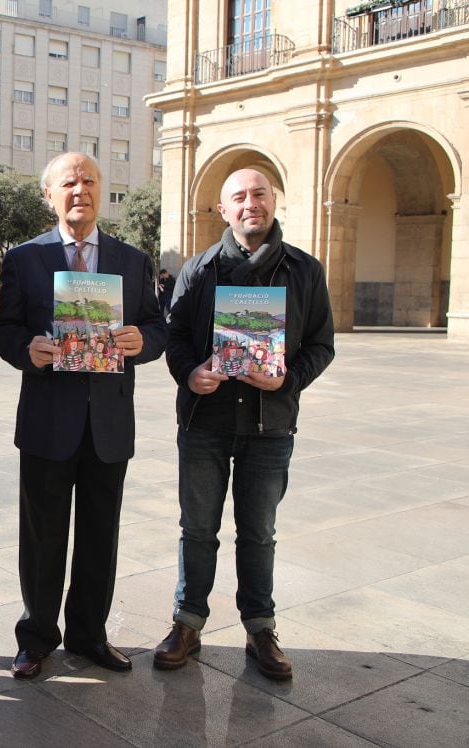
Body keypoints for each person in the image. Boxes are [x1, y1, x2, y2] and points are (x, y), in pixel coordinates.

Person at [0, 152, 167, 680]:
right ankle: (37, 637)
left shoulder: (133, 261)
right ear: (50, 195)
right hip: (48, 418)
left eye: (89, 180)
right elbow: (5, 329)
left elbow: (158, 328)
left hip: (108, 424)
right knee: (42, 536)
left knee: (99, 535)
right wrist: (30, 349)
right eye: (68, 182)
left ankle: (90, 635)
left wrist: (142, 342)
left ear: (100, 191)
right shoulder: (24, 259)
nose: (80, 190)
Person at [154, 168, 334, 680]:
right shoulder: (198, 269)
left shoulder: (305, 270)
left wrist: (289, 380)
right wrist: (190, 373)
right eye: (240, 196)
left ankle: (260, 628)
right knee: (198, 530)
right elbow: (175, 336)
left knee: (259, 533)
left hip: (270, 425)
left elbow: (323, 344)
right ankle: (187, 624)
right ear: (223, 209)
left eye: (259, 194)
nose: (251, 203)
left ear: (274, 201)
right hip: (204, 422)